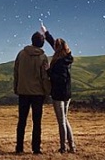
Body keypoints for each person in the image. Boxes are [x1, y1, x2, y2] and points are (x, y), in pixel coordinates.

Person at [41, 23, 76, 153]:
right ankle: (72, 146)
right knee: (65, 120)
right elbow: (55, 45)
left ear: (58, 49)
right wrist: (46, 34)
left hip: (59, 94)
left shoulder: (60, 63)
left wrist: (49, 71)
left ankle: (64, 147)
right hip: (67, 94)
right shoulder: (67, 58)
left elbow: (59, 79)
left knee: (61, 121)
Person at [13, 31, 51, 154]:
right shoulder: (43, 57)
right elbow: (44, 77)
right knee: (37, 122)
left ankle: (19, 148)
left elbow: (16, 73)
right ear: (42, 43)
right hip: (38, 94)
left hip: (23, 92)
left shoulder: (21, 54)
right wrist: (47, 92)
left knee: (22, 121)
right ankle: (36, 149)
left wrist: (16, 88)